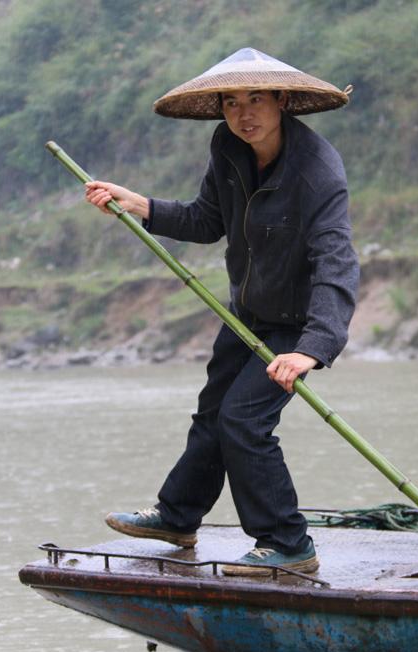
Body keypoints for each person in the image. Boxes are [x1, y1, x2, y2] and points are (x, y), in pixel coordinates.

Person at [83, 48, 359, 576]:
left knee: (244, 421)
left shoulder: (317, 171)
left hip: (296, 326)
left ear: (282, 100)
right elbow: (208, 220)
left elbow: (337, 263)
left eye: (256, 99)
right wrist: (137, 203)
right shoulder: (228, 148)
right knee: (213, 415)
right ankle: (178, 517)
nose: (244, 113)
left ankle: (287, 542)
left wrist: (312, 349)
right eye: (231, 102)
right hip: (246, 314)